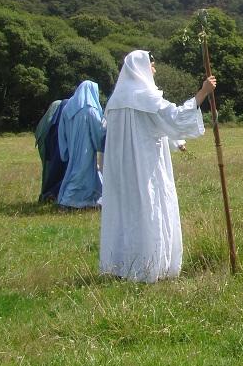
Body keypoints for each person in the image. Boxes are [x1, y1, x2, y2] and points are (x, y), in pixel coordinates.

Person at [99, 50, 216, 283]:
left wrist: (175, 142)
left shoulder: (115, 101)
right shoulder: (146, 97)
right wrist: (203, 92)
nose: (154, 69)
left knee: (126, 212)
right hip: (145, 166)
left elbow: (150, 126)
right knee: (148, 207)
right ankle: (149, 265)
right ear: (141, 67)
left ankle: (123, 263)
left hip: (121, 170)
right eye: (152, 64)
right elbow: (175, 118)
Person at [57, 81, 106, 210]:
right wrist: (102, 144)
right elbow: (97, 132)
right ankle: (68, 201)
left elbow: (61, 131)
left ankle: (89, 200)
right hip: (85, 148)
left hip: (72, 147)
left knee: (76, 171)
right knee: (81, 173)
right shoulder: (90, 110)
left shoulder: (67, 109)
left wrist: (64, 149)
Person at [34, 99, 67, 203]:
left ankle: (45, 194)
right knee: (50, 170)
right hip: (48, 142)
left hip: (42, 140)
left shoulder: (55, 109)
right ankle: (48, 195)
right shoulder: (61, 110)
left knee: (47, 170)